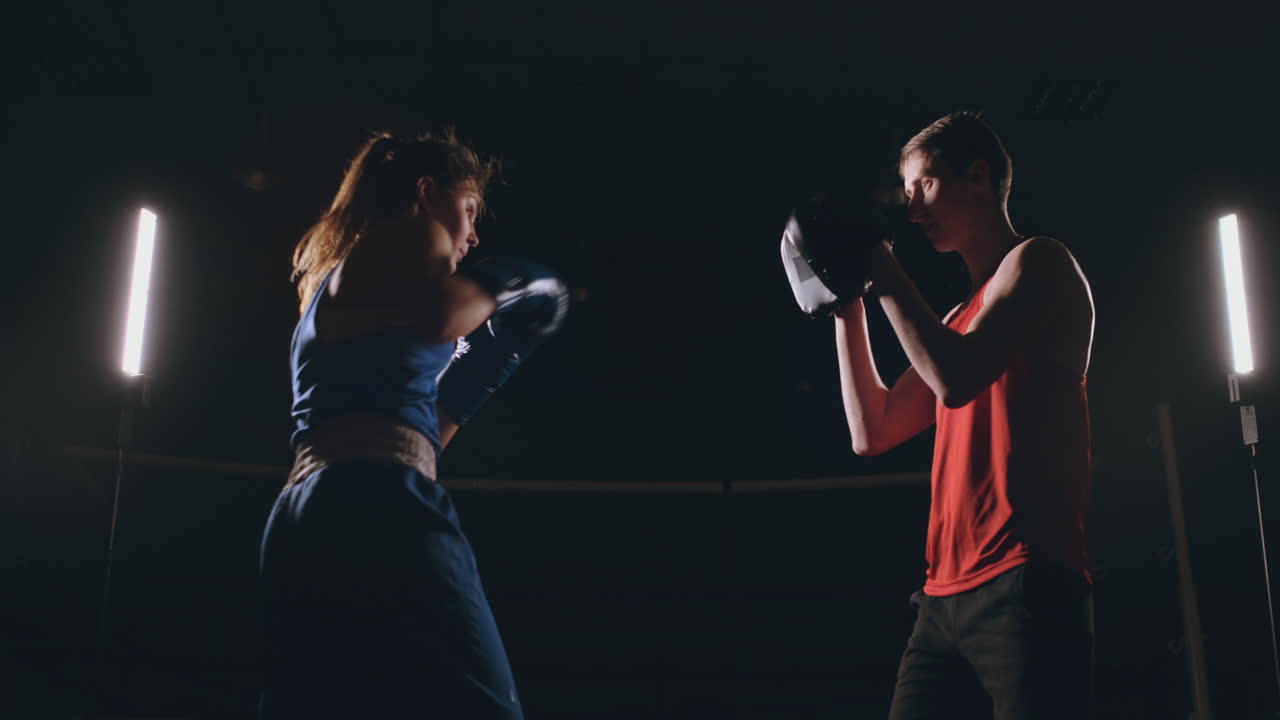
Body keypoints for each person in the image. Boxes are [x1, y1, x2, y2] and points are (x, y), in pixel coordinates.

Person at [791, 112, 1095, 718]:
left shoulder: (1040, 262)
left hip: (1026, 581)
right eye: (906, 193)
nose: (911, 211)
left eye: (924, 185)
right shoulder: (957, 318)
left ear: (977, 176)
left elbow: (955, 380)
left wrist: (880, 264)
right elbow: (872, 432)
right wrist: (847, 305)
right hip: (941, 599)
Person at [259, 129, 568, 719]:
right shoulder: (415, 232)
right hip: (380, 502)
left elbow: (424, 442)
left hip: (307, 512)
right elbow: (444, 315)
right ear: (426, 193)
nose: (472, 235)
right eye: (469, 209)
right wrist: (512, 281)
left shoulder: (347, 284)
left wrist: (487, 371)